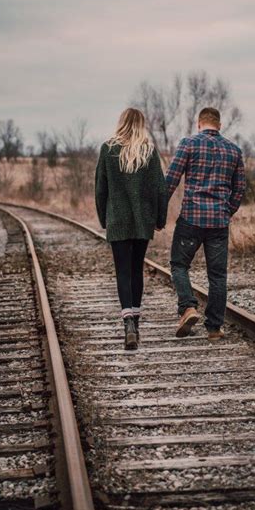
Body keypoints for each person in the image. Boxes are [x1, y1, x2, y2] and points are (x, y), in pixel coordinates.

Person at [165, 107, 246, 340]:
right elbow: (239, 188)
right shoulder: (234, 150)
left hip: (191, 218)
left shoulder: (188, 144)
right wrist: (226, 210)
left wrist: (158, 213)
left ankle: (188, 307)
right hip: (219, 222)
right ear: (219, 125)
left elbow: (170, 180)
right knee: (218, 276)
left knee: (179, 265)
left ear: (199, 123)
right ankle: (214, 328)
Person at [95, 108, 168, 350]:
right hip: (142, 221)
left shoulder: (108, 149)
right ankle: (135, 321)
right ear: (141, 125)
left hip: (118, 220)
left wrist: (104, 218)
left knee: (123, 272)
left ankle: (127, 322)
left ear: (121, 122)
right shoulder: (148, 151)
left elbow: (100, 189)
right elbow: (160, 189)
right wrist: (160, 219)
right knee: (137, 270)